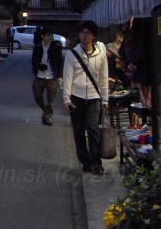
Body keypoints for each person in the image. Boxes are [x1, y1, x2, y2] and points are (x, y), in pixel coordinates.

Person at [63, 20, 109, 174]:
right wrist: (66, 99)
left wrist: (105, 99)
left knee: (93, 128)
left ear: (93, 36)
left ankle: (96, 162)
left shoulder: (101, 54)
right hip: (76, 97)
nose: (84, 35)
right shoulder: (72, 54)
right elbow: (67, 77)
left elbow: (104, 78)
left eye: (88, 32)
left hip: (94, 97)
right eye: (82, 32)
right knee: (78, 132)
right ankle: (85, 162)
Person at [32, 26, 63, 126]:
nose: (50, 37)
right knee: (37, 95)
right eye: (47, 35)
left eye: (51, 35)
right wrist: (39, 66)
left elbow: (60, 61)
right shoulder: (37, 46)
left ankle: (47, 117)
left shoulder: (56, 47)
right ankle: (46, 111)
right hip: (39, 75)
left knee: (51, 99)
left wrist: (60, 75)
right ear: (42, 36)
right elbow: (34, 61)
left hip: (51, 76)